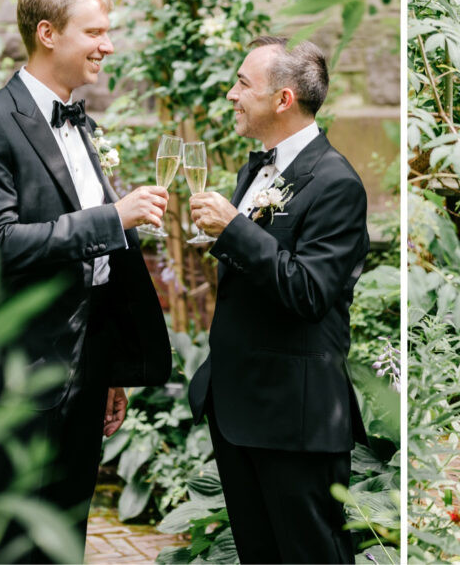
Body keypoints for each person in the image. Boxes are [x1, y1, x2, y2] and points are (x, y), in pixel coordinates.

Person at [0, 0, 173, 564]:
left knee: (65, 535)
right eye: (94, 31)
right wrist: (114, 217)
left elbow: (94, 265)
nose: (108, 45)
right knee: (18, 541)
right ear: (48, 33)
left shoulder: (80, 121)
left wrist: (110, 366)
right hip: (18, 371)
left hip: (85, 364)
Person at [187, 36, 370, 564]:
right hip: (241, 409)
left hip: (296, 418)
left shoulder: (336, 182)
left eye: (243, 84)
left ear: (283, 99)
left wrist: (235, 230)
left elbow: (311, 292)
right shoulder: (259, 169)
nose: (230, 94)